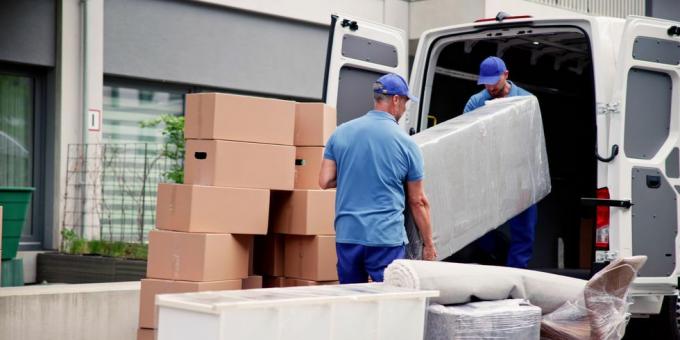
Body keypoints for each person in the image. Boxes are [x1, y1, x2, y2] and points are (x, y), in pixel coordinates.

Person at [319, 73, 437, 283]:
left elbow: (325, 180)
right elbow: (418, 201)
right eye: (406, 102)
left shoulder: (340, 132)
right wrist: (429, 244)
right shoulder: (406, 143)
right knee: (390, 301)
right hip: (385, 238)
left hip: (348, 235)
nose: (405, 108)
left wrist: (353, 173)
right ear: (395, 100)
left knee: (351, 299)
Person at [463, 56, 538, 269]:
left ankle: (515, 277)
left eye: (493, 81)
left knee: (524, 232)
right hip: (488, 177)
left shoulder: (526, 100)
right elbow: (465, 141)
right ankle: (499, 260)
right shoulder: (476, 103)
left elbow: (532, 143)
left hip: (519, 176)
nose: (489, 87)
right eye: (485, 82)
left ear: (506, 75)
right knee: (477, 229)